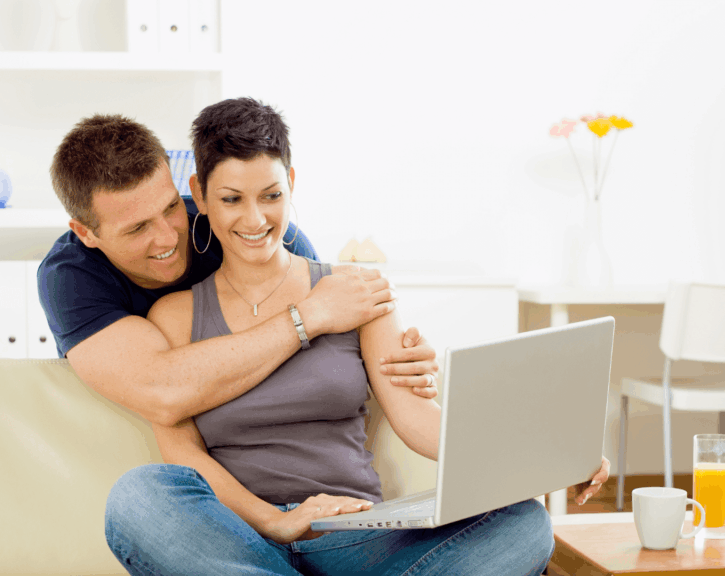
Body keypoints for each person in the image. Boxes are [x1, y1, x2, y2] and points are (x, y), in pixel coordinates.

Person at [105, 98, 611, 576]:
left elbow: (417, 421)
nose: (255, 219)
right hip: (238, 539)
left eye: (272, 195)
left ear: (292, 183)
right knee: (138, 496)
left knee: (523, 521)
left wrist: (548, 455)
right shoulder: (174, 315)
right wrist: (274, 521)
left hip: (358, 536)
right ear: (199, 193)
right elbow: (183, 454)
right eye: (232, 199)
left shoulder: (356, 291)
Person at [39, 114, 443, 434]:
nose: (168, 237)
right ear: (86, 232)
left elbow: (332, 349)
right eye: (137, 228)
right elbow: (163, 393)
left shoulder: (247, 232)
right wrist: (307, 318)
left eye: (170, 208)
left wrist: (400, 366)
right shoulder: (70, 276)